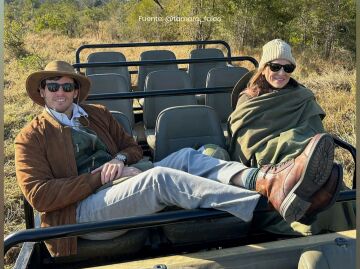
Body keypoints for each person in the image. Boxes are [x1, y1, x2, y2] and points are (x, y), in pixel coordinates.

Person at [15, 60, 336, 257]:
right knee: (160, 179)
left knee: (186, 156)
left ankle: (265, 180)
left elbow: (133, 147)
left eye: (66, 85)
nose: (60, 91)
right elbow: (40, 197)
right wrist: (100, 177)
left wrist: (122, 163)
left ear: (75, 90)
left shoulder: (96, 114)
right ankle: (263, 201)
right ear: (42, 92)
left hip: (117, 187)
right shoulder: (30, 137)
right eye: (52, 86)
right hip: (79, 215)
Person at [228, 39, 340, 222]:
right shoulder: (248, 99)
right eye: (275, 67)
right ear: (264, 68)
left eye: (288, 68)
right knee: (293, 148)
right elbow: (244, 141)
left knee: (333, 183)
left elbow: (316, 130)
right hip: (268, 159)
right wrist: (290, 139)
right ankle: (300, 198)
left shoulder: (301, 96)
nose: (281, 73)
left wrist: (302, 140)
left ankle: (308, 175)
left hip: (307, 153)